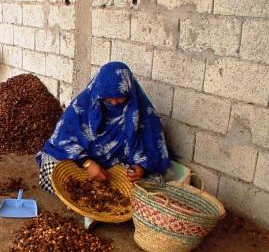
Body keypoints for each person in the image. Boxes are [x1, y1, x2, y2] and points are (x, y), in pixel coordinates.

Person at [36, 61, 170, 194]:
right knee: (52, 167)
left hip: (116, 167)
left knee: (152, 184)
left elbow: (152, 150)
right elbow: (62, 140)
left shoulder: (143, 112)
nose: (114, 104)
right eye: (108, 101)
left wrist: (140, 168)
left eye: (120, 100)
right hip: (80, 162)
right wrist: (87, 163)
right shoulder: (82, 106)